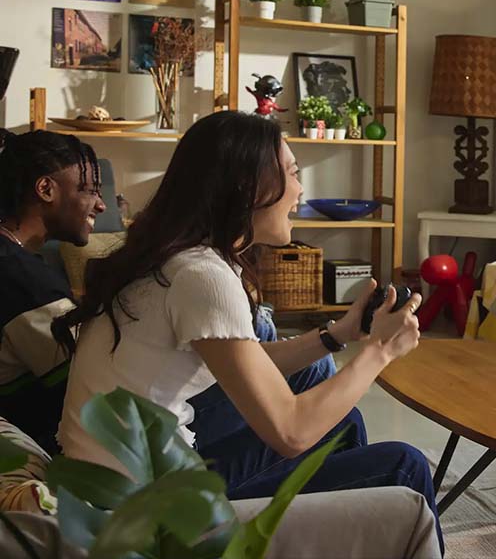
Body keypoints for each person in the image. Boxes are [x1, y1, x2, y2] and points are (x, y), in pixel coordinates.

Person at [54, 111, 442, 549]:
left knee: (343, 423)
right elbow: (291, 432)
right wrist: (380, 350)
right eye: (293, 174)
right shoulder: (201, 276)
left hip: (120, 487)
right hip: (149, 517)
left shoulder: (178, 257)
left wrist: (339, 335)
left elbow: (246, 362)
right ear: (248, 187)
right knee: (405, 466)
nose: (300, 190)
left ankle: (340, 532)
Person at [0, 129, 105, 455]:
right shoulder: (22, 280)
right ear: (46, 189)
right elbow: (94, 387)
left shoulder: (14, 261)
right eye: (88, 190)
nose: (100, 204)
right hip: (59, 449)